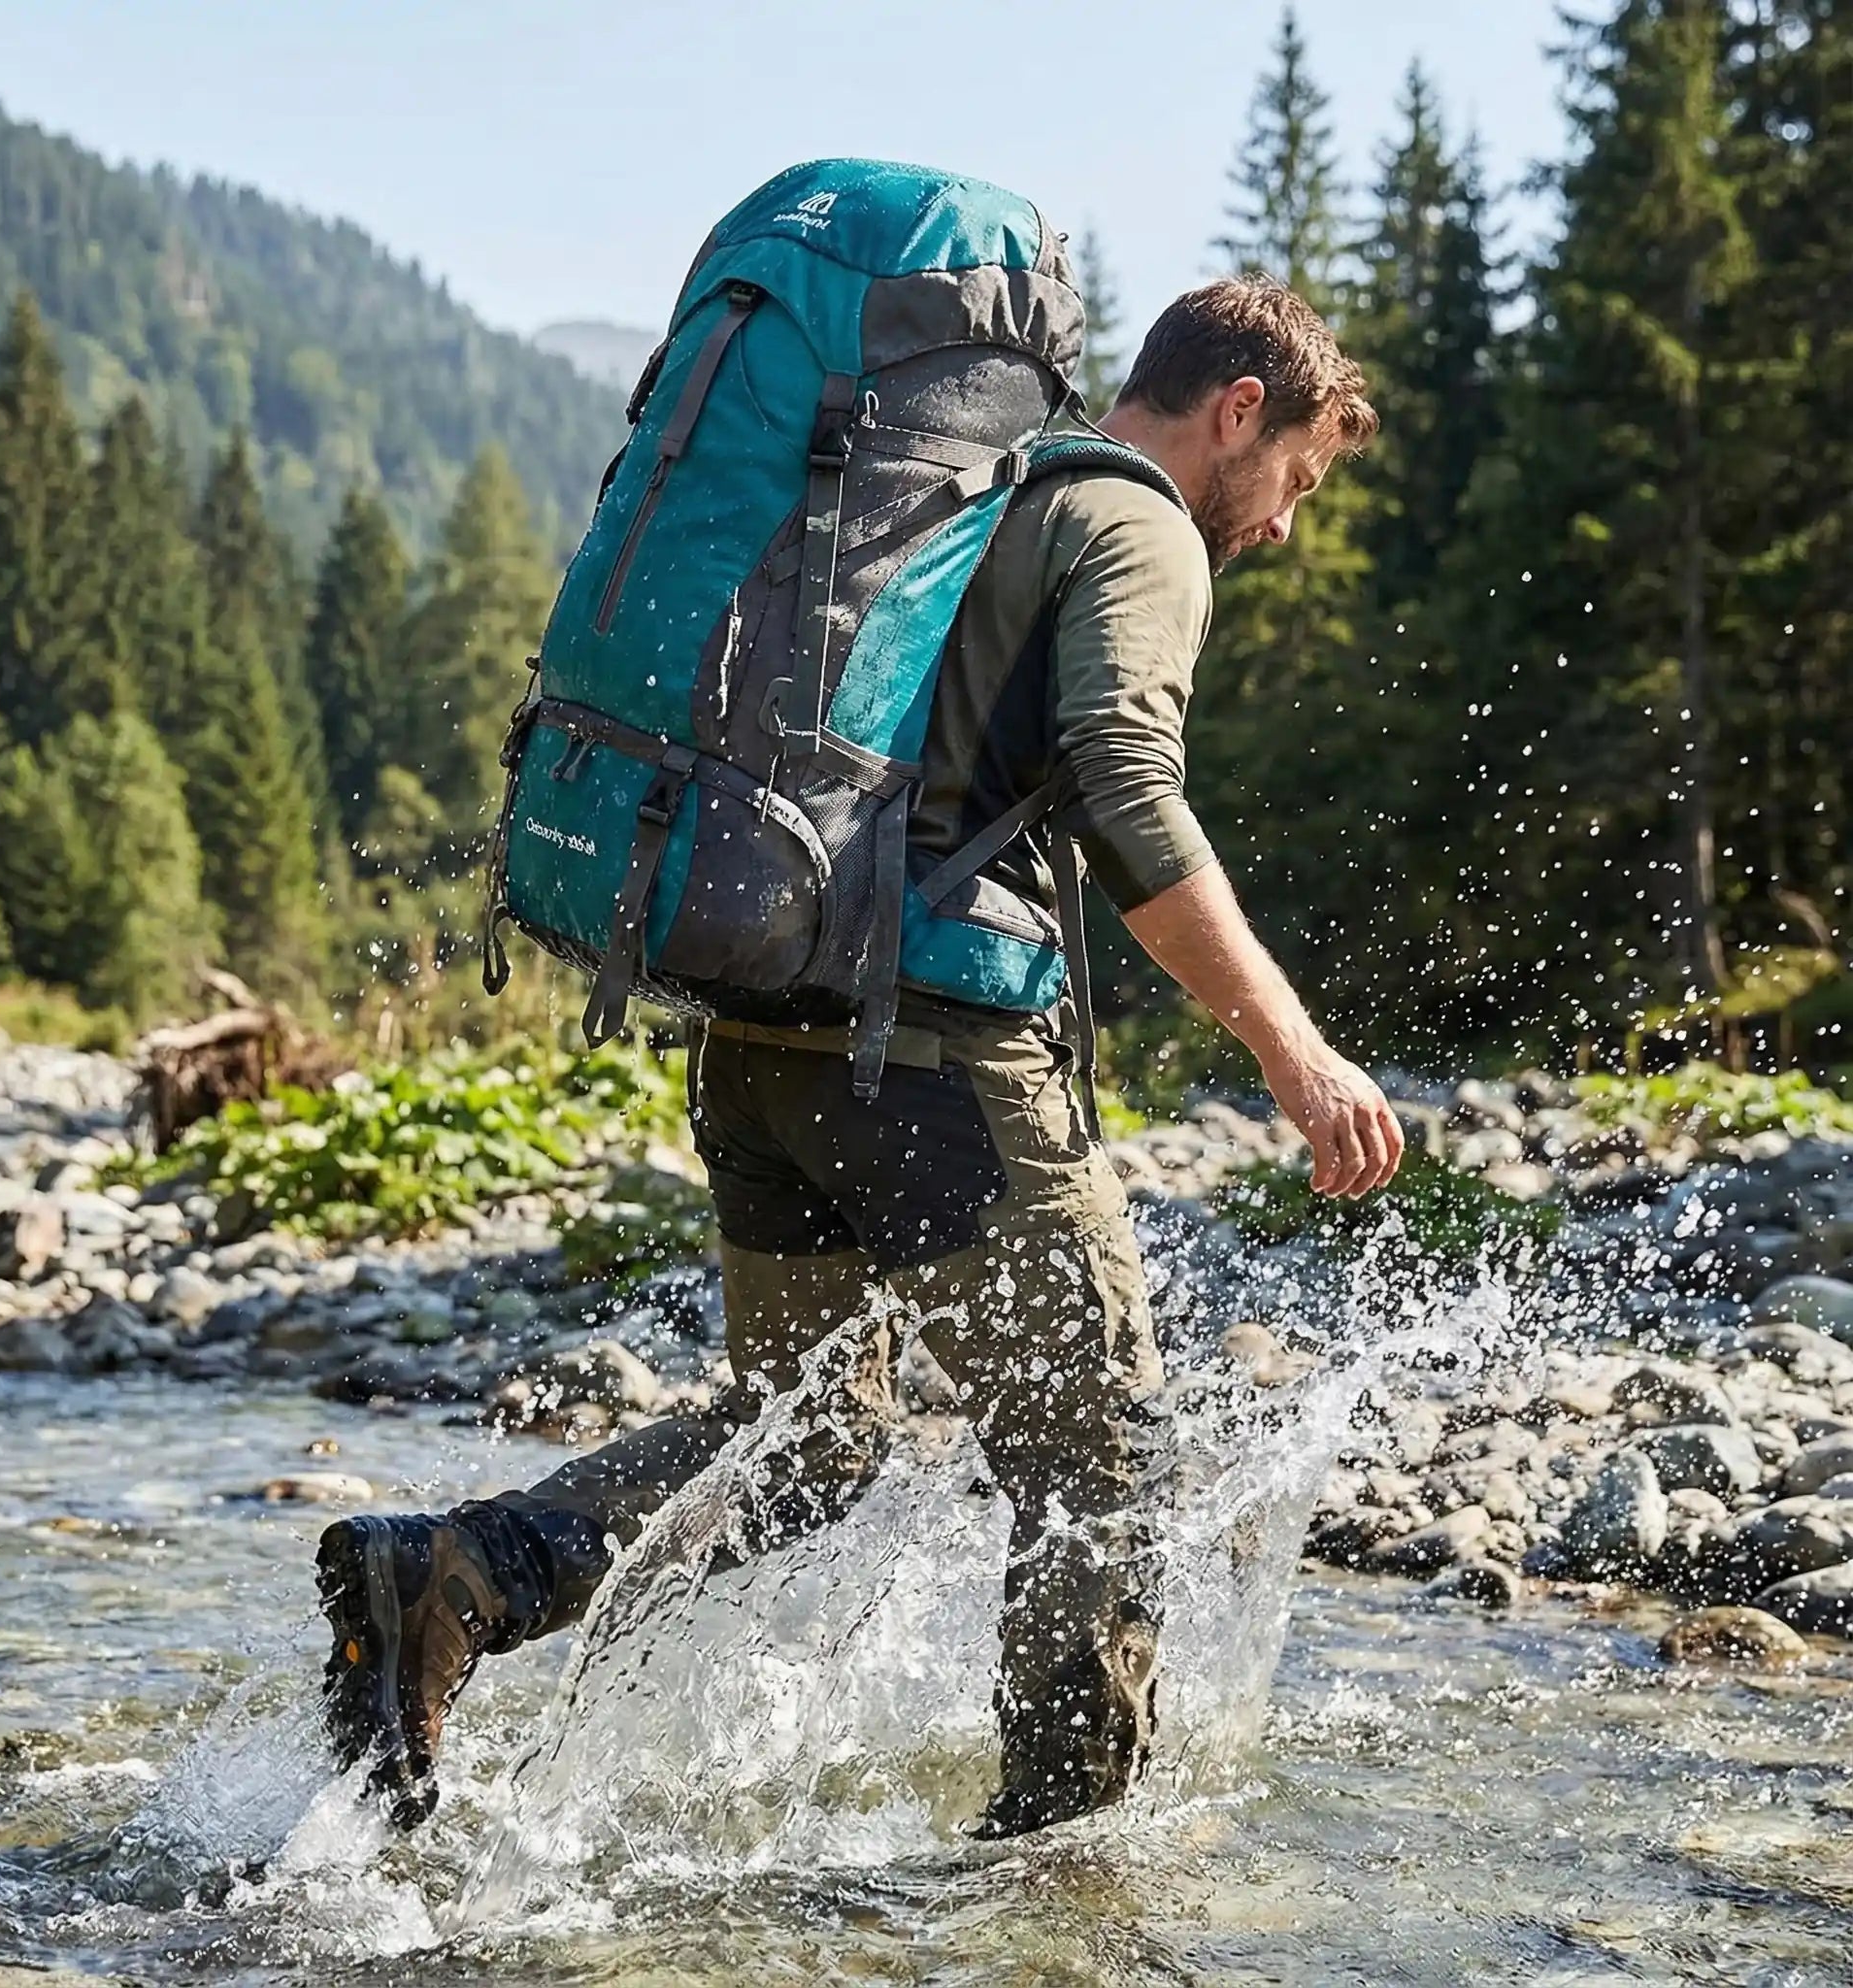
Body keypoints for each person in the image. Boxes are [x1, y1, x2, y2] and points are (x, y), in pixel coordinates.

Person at [316, 273, 1406, 1839]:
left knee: (807, 1442)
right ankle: (1061, 1879)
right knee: (1100, 1465)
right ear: (1240, 411)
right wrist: (1295, 1054)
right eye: (1295, 475)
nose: (1285, 522)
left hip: (766, 1034)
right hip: (943, 1062)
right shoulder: (1140, 524)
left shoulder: (960, 496)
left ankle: (467, 1572)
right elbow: (1122, 782)